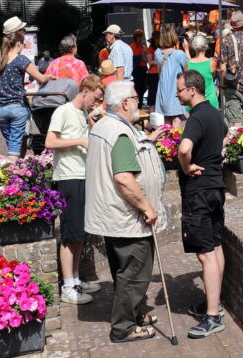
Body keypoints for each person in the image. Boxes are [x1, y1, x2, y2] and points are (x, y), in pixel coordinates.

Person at [84, 81, 165, 345]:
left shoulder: (104, 127)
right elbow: (124, 178)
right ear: (125, 103)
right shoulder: (118, 132)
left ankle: (136, 314)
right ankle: (124, 327)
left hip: (113, 214)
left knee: (125, 270)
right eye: (136, 100)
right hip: (125, 217)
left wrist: (147, 141)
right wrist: (146, 207)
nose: (138, 105)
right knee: (135, 273)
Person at [176, 70, 228, 339]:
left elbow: (184, 149)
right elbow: (225, 136)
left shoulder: (196, 117)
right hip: (217, 187)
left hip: (199, 190)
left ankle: (212, 316)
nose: (177, 94)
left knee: (205, 253)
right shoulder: (215, 113)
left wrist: (186, 167)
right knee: (215, 245)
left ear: (193, 90)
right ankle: (214, 303)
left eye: (180, 90)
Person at [46, 74, 105, 305]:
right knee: (70, 234)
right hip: (68, 177)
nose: (96, 104)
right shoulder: (63, 112)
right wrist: (79, 141)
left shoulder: (82, 113)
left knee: (80, 232)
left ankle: (76, 278)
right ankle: (68, 285)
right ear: (85, 91)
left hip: (82, 175)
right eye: (95, 98)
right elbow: (50, 142)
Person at [0, 16, 53, 161]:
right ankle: (11, 177)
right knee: (14, 152)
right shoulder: (21, 60)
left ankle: (16, 176)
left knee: (13, 146)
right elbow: (41, 78)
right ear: (18, 42)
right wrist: (51, 76)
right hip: (17, 107)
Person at [154, 27, 189, 128]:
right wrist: (186, 49)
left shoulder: (157, 53)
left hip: (162, 92)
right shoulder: (179, 54)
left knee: (167, 120)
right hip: (175, 92)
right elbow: (188, 68)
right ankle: (174, 143)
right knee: (176, 119)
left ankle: (166, 143)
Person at [187, 33, 219, 109]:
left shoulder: (188, 64)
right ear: (206, 47)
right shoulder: (211, 63)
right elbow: (213, 78)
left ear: (194, 47)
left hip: (194, 101)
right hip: (210, 101)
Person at [130, 29, 149, 108]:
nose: (140, 39)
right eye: (138, 37)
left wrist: (144, 55)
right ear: (135, 37)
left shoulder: (144, 47)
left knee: (144, 87)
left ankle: (140, 105)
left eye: (141, 37)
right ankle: (136, 105)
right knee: (137, 88)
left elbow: (146, 60)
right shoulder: (131, 47)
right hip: (136, 70)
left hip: (143, 69)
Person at [146, 30, 162, 109]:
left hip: (160, 73)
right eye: (156, 39)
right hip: (153, 74)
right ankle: (151, 111)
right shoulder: (150, 49)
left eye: (158, 38)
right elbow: (149, 61)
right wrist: (159, 61)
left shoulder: (161, 48)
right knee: (152, 94)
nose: (157, 40)